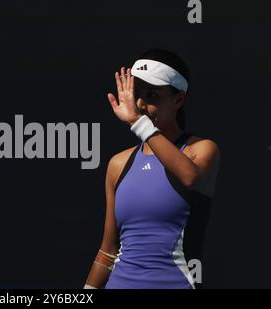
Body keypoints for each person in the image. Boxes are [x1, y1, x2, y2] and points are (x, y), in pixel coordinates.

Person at [84, 49, 220, 289]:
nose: (139, 104)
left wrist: (138, 123)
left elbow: (190, 178)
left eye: (153, 95)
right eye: (137, 94)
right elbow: (107, 252)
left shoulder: (201, 150)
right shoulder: (118, 164)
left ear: (178, 100)